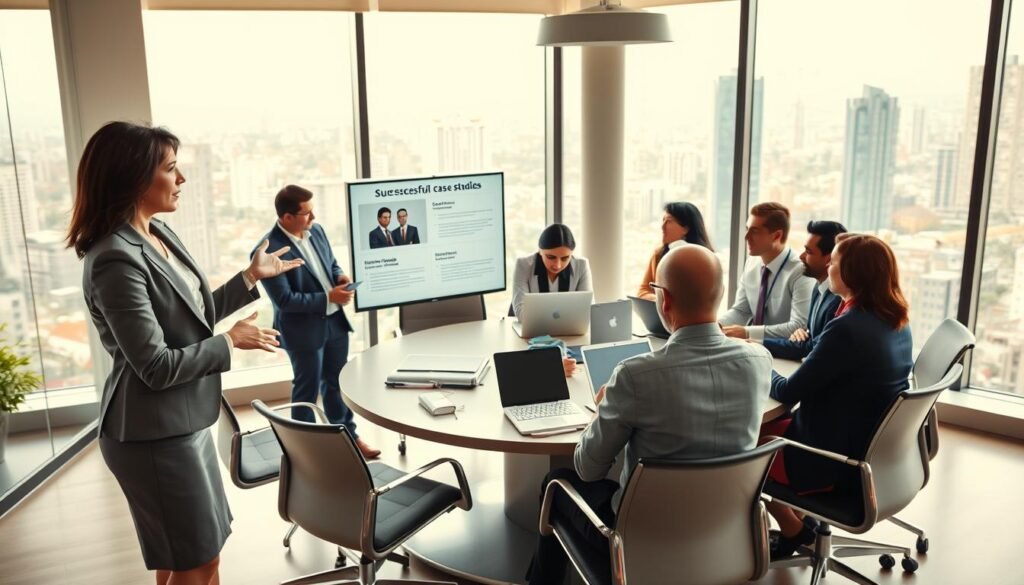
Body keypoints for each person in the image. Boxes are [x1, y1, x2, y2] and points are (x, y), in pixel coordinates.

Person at [69, 121, 303, 585]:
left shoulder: (156, 234)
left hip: (181, 422)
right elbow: (155, 366)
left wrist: (250, 278)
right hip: (152, 436)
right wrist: (229, 342)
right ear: (134, 178)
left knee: (185, 559)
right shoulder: (115, 259)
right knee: (199, 563)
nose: (182, 180)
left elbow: (189, 317)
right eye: (172, 169)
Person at [526, 244, 772, 585]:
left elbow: (589, 469)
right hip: (725, 533)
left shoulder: (634, 376)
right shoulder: (758, 361)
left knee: (556, 481)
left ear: (665, 300)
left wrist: (604, 411)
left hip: (636, 544)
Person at [763, 234, 913, 559]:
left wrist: (758, 363)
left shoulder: (849, 328)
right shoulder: (894, 318)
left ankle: (794, 530)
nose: (828, 266)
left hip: (832, 461)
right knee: (768, 428)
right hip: (872, 453)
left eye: (833, 262)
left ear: (852, 274)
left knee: (745, 445)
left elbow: (788, 390)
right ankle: (800, 520)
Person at [257, 185, 380, 460]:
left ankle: (349, 437)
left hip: (335, 321)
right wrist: (328, 297)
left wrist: (340, 277)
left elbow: (331, 263)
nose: (313, 218)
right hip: (303, 330)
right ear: (287, 217)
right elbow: (285, 301)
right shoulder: (268, 252)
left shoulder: (317, 231)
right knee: (307, 390)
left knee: (337, 383)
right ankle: (305, 451)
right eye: (307, 213)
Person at [720, 202, 814, 341]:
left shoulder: (799, 271)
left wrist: (747, 332)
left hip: (783, 353)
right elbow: (741, 310)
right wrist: (716, 325)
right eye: (747, 229)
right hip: (751, 347)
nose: (746, 237)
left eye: (755, 231)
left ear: (776, 236)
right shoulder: (751, 263)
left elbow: (799, 326)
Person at [510, 224, 592, 378]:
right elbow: (522, 313)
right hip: (530, 339)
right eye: (551, 257)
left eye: (565, 258)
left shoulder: (581, 265)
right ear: (540, 251)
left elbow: (587, 310)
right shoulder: (523, 265)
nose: (558, 264)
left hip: (570, 339)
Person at [762, 220, 846, 360]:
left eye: (808, 252)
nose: (801, 256)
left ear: (829, 258)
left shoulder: (837, 301)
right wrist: (803, 332)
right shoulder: (817, 286)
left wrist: (754, 343)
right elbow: (807, 340)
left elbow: (810, 348)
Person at [636, 202, 714, 300]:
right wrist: (662, 301)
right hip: (661, 314)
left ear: (685, 229)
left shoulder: (706, 259)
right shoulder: (659, 254)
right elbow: (643, 291)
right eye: (663, 220)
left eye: (668, 221)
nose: (662, 226)